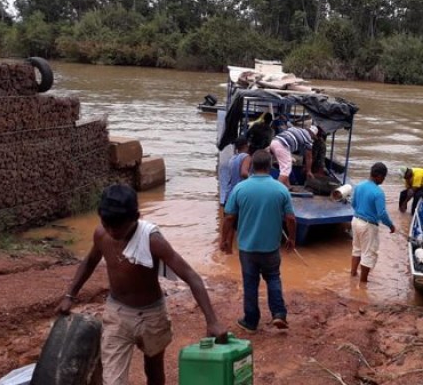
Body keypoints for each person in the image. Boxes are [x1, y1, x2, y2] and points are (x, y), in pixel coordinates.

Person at [56, 184, 227, 385]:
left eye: (118, 226)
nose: (112, 231)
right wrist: (70, 295)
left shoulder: (152, 240)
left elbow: (191, 276)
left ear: (136, 217)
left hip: (152, 315)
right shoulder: (101, 234)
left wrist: (212, 321)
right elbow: (89, 262)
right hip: (117, 313)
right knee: (112, 379)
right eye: (106, 224)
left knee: (154, 371)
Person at [221, 150, 295, 332]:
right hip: (271, 247)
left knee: (250, 283)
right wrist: (292, 238)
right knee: (273, 279)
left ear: (252, 166)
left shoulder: (240, 188)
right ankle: (278, 314)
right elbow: (291, 218)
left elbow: (229, 218)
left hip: (247, 248)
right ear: (270, 167)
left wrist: (225, 240)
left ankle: (251, 321)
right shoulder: (281, 189)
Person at [350, 162, 396, 282]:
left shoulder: (359, 186)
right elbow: (381, 213)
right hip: (368, 225)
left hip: (355, 220)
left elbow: (353, 203)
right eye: (384, 177)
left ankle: (353, 274)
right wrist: (391, 225)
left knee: (357, 249)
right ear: (379, 176)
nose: (383, 180)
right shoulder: (378, 192)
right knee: (368, 253)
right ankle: (363, 282)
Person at [220, 136, 251, 207]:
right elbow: (244, 173)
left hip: (230, 192)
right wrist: (255, 179)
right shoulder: (246, 157)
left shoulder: (233, 158)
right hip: (240, 192)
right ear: (246, 145)